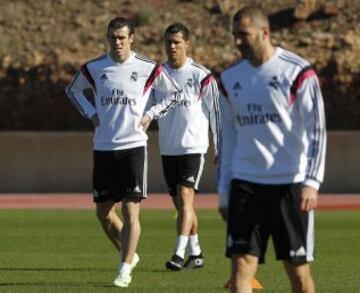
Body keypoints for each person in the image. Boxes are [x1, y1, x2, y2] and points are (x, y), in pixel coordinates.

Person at [217, 5, 326, 293]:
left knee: (298, 274)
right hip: (245, 184)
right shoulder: (229, 79)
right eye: (234, 35)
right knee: (241, 266)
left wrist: (311, 183)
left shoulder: (298, 72)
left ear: (265, 33)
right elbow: (228, 139)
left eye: (244, 35)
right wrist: (224, 190)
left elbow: (317, 131)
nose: (237, 41)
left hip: (288, 185)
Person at [65, 17, 181, 288]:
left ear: (132, 38)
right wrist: (92, 113)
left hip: (133, 147)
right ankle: (129, 254)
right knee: (103, 212)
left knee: (131, 211)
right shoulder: (94, 68)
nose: (117, 42)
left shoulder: (148, 68)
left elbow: (173, 94)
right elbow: (73, 91)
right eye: (112, 37)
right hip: (104, 147)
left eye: (121, 37)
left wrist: (151, 114)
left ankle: (124, 268)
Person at [151, 23, 220, 270]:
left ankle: (178, 254)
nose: (172, 47)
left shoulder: (202, 75)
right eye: (168, 42)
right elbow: (147, 107)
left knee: (185, 196)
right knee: (183, 205)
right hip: (168, 148)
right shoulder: (157, 75)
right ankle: (196, 252)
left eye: (177, 42)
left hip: (193, 147)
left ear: (187, 44)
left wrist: (219, 148)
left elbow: (216, 114)